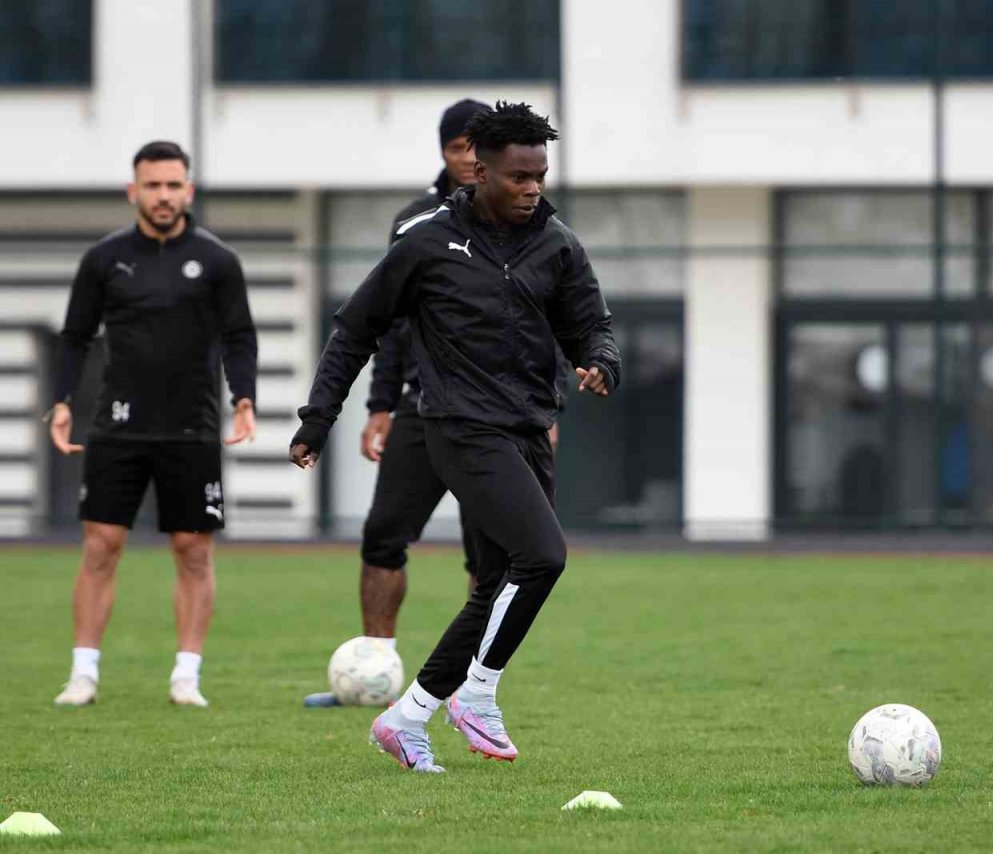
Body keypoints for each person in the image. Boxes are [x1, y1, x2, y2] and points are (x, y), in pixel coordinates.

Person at [290, 102, 619, 772]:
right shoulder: (426, 243)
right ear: (482, 172)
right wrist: (319, 417)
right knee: (544, 556)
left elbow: (592, 326)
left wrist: (601, 361)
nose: (533, 188)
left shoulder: (558, 245)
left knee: (499, 582)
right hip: (458, 425)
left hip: (529, 428)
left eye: (541, 175)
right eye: (519, 176)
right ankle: (477, 693)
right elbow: (355, 329)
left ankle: (407, 718)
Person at [48, 140, 258, 708]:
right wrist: (63, 400)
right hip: (118, 424)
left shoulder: (217, 260)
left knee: (193, 550)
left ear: (188, 191)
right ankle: (83, 674)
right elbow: (74, 336)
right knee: (101, 546)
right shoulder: (104, 259)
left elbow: (240, 336)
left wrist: (245, 399)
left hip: (191, 425)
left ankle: (186, 675)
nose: (163, 196)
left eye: (173, 185)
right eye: (153, 185)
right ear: (133, 190)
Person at [302, 98, 495, 708]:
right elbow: (388, 320)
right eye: (459, 145)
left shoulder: (524, 221)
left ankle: (474, 687)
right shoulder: (415, 221)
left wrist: (550, 413)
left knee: (488, 552)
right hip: (421, 405)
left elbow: (541, 325)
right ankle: (375, 667)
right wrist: (379, 405)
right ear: (443, 150)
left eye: (479, 145)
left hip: (499, 414)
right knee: (383, 535)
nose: (469, 157)